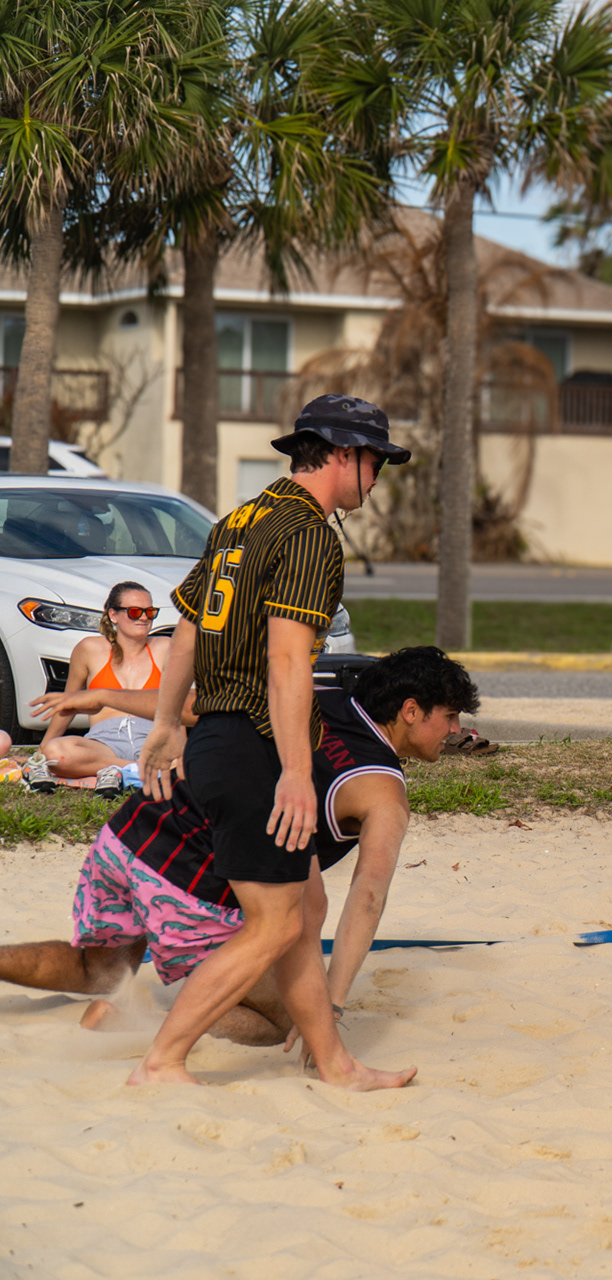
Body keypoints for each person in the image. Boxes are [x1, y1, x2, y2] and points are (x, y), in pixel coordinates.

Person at [132, 392, 414, 1091]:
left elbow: (191, 628)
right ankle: (163, 1060)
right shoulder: (311, 534)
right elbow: (290, 661)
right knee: (274, 924)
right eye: (376, 463)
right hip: (255, 745)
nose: (377, 479)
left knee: (305, 907)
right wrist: (297, 770)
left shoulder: (240, 519)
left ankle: (335, 1063)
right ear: (344, 455)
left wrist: (168, 723)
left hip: (218, 738)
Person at [0, 648, 479, 1044]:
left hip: (139, 827)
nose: (456, 730)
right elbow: (367, 897)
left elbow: (195, 705)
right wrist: (330, 1004)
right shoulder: (383, 791)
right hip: (201, 877)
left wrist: (104, 694)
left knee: (96, 969)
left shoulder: (314, 696)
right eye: (450, 716)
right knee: (288, 1019)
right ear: (411, 710)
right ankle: (138, 1025)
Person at [29, 581, 178, 795]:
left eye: (150, 612)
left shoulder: (165, 647)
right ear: (113, 615)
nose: (144, 618)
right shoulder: (90, 648)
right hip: (104, 740)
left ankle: (116, 770)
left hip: (152, 737)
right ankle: (135, 770)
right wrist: (44, 748)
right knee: (56, 753)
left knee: (197, 758)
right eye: (135, 612)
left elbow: (178, 704)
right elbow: (69, 703)